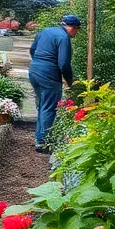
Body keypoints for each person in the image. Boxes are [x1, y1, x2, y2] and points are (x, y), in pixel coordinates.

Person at [29, 14, 81, 152]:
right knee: (49, 107)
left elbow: (32, 50)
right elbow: (64, 63)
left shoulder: (46, 31)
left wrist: (39, 64)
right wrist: (70, 81)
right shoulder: (64, 38)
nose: (76, 33)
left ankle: (39, 137)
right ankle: (43, 142)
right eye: (77, 30)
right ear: (73, 28)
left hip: (34, 71)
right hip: (49, 75)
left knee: (42, 105)